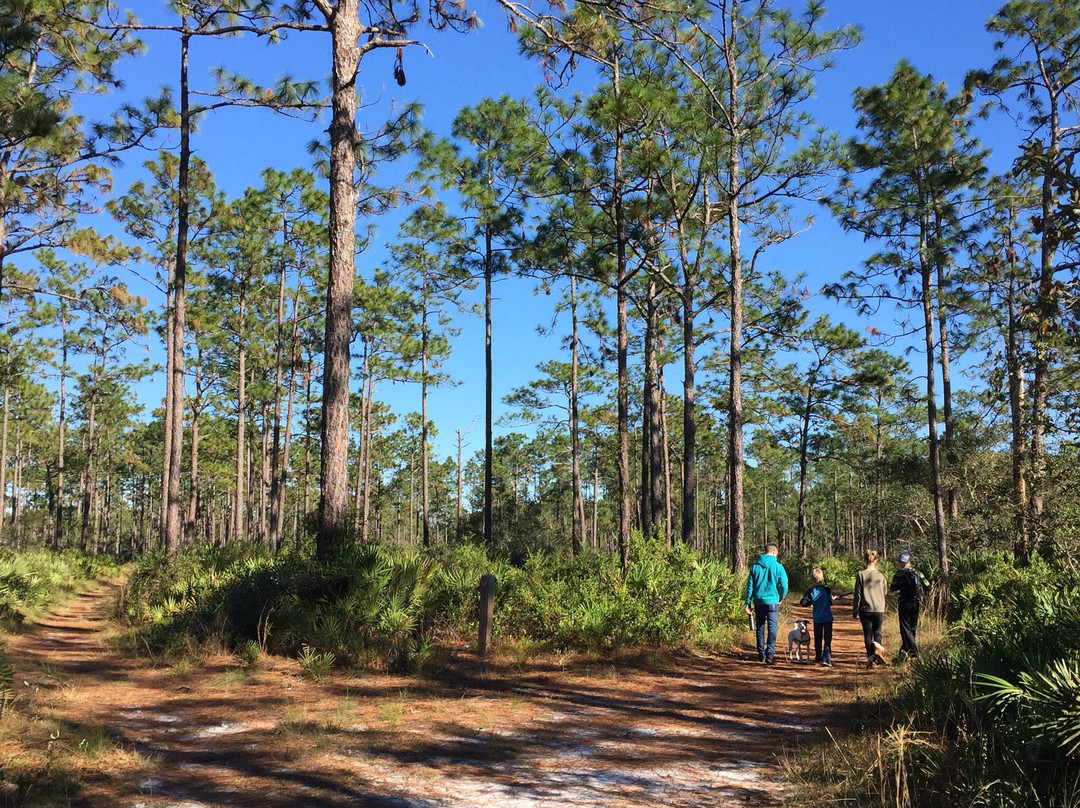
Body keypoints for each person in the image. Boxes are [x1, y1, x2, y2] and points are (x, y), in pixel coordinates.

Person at [744, 544, 789, 665]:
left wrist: (747, 602)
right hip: (773, 601)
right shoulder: (778, 566)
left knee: (760, 627)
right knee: (772, 627)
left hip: (758, 601)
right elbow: (784, 585)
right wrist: (780, 597)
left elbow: (750, 586)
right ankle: (770, 654)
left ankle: (761, 653)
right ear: (774, 553)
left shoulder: (755, 566)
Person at [852, 549, 888, 668]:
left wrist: (855, 610)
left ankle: (870, 659)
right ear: (876, 561)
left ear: (864, 559)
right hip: (879, 609)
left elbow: (857, 595)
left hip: (865, 609)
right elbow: (885, 591)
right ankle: (877, 654)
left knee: (868, 634)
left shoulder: (861, 575)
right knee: (877, 632)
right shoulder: (881, 576)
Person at [890, 549, 928, 660]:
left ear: (901, 561)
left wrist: (901, 588)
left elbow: (892, 588)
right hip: (915, 603)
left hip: (904, 603)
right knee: (912, 628)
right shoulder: (918, 573)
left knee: (905, 628)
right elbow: (928, 585)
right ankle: (904, 651)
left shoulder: (899, 574)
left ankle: (914, 652)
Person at [800, 567, 835, 667]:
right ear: (823, 578)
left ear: (812, 579)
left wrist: (811, 602)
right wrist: (831, 599)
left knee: (818, 638)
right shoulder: (827, 590)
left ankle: (818, 657)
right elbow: (831, 603)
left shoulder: (810, 591)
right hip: (827, 618)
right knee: (827, 639)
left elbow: (803, 603)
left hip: (817, 618)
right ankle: (827, 658)